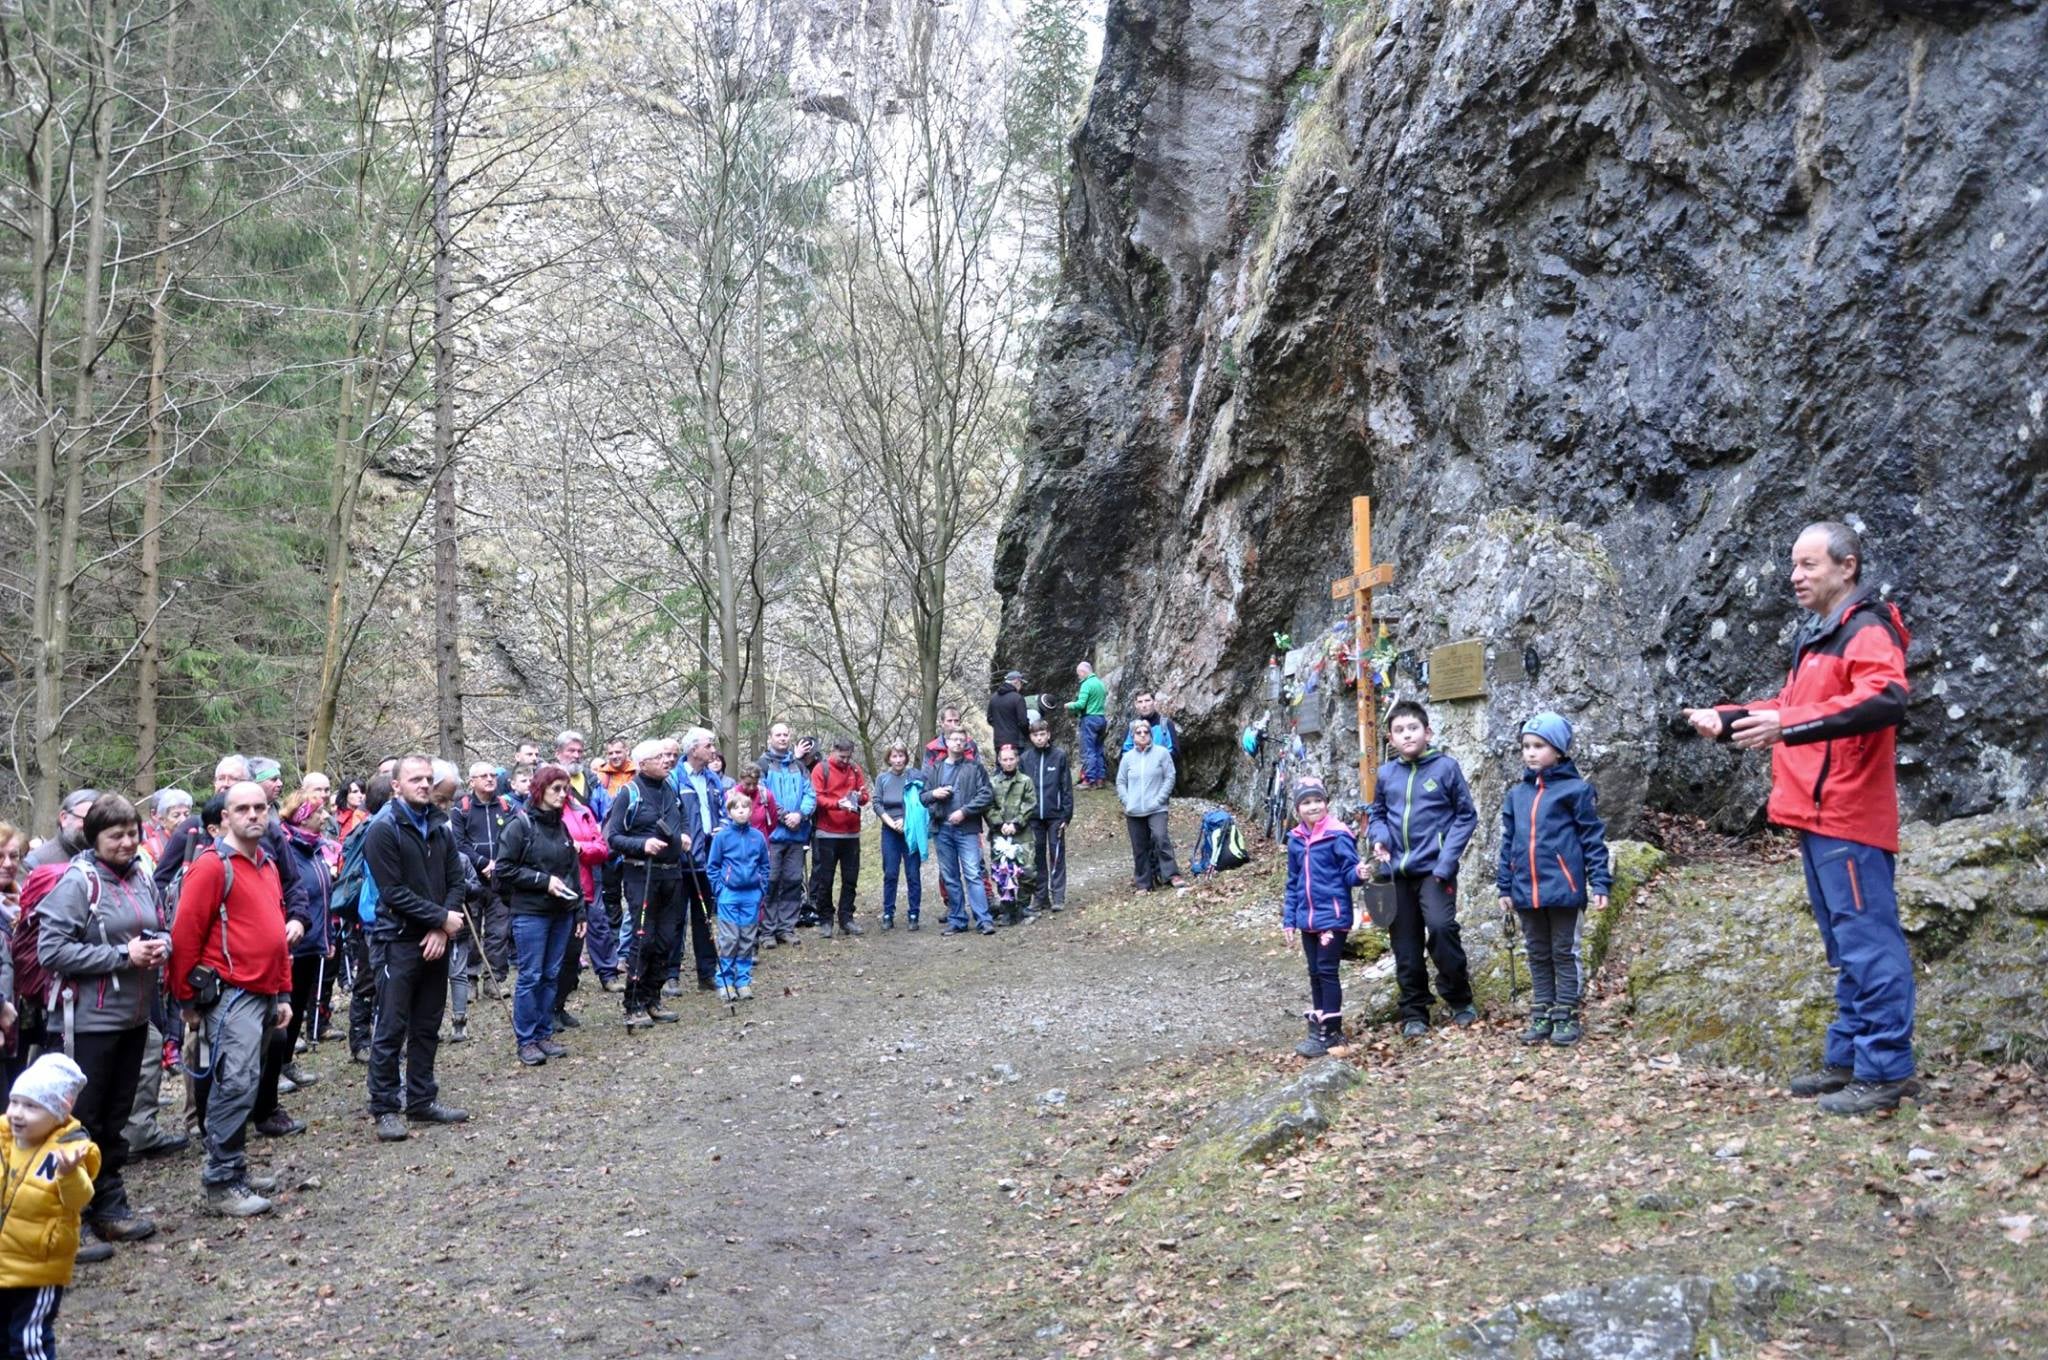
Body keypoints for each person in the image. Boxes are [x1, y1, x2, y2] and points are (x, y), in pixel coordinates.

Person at [1684, 521, 1917, 1115]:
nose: (1796, 576)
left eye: (1809, 564)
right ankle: (1848, 1062)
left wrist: (1788, 725)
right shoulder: (1822, 636)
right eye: (1793, 565)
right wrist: (1729, 717)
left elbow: (1885, 698)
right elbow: (1793, 708)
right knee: (1845, 949)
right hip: (1817, 817)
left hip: (1850, 816)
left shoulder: (1865, 629)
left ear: (1848, 566)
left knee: (1869, 947)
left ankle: (1885, 1071)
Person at [35, 795, 166, 1252]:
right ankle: (67, 1219)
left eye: (132, 833)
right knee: (79, 1121)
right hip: (85, 1023)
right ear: (94, 838)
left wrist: (159, 945)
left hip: (133, 1018)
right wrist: (120, 956)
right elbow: (50, 950)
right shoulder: (79, 882)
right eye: (116, 835)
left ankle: (108, 1204)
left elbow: (157, 925)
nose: (127, 842)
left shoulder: (142, 874)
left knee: (114, 1119)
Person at [167, 781, 296, 1215]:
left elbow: (276, 934)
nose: (254, 815)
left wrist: (282, 991)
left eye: (261, 807)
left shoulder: (267, 864)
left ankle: (235, 1168)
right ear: (225, 816)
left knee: (248, 1083)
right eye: (243, 808)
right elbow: (184, 937)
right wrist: (186, 1000)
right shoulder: (210, 867)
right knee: (235, 1082)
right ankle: (221, 1181)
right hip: (231, 994)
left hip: (263, 993)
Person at [362, 755, 470, 1142]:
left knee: (427, 1023)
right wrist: (440, 919)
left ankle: (422, 1098)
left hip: (434, 939)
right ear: (396, 785)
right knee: (392, 1026)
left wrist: (444, 926)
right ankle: (385, 1107)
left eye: (428, 778)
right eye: (415, 779)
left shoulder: (440, 826)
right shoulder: (383, 829)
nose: (424, 784)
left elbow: (455, 880)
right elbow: (393, 893)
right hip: (398, 940)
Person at [1495, 713, 1611, 1049]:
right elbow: (1508, 844)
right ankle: (1542, 1010)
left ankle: (1566, 1013)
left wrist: (1600, 882)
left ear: (1558, 751)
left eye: (1539, 746)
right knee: (1536, 952)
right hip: (1525, 891)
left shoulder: (1576, 791)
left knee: (1564, 950)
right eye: (1526, 746)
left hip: (1564, 888)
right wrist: (1505, 886)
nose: (1530, 753)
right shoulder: (1517, 795)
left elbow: (1592, 840)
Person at [1365, 701, 1480, 1037]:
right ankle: (1415, 1010)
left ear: (1427, 732)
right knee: (1404, 943)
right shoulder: (1386, 775)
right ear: (1391, 738)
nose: (1407, 735)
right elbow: (1377, 814)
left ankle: (1459, 999)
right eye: (1399, 731)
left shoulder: (1446, 768)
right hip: (1395, 872)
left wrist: (1447, 861)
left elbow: (1466, 815)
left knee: (1441, 928)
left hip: (1435, 870)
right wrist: (1380, 837)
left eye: (1412, 728)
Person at [0, 1053, 99, 1357]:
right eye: (15, 1102)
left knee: (29, 1341)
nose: (17, 1113)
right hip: (3, 1263)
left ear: (58, 1111)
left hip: (39, 1269)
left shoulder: (70, 1151)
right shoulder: (3, 1138)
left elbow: (80, 1198)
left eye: (31, 1106)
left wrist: (68, 1174)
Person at [495, 766, 582, 1067]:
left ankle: (544, 1033)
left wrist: (578, 909)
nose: (562, 795)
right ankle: (527, 1039)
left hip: (561, 913)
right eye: (556, 788)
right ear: (540, 789)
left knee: (550, 975)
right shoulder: (519, 824)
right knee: (530, 976)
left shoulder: (561, 826)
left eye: (565, 789)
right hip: (530, 913)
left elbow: (572, 871)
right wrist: (543, 881)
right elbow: (503, 870)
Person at [604, 739, 685, 1029]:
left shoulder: (670, 789)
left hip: (672, 873)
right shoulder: (629, 793)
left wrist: (684, 836)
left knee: (666, 939)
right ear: (642, 764)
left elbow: (682, 821)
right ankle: (633, 1002)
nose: (667, 760)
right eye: (659, 757)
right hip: (641, 874)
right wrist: (642, 844)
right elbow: (612, 838)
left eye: (667, 756)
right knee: (644, 938)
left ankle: (654, 998)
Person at [1283, 779, 1362, 1058]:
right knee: (1314, 971)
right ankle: (1321, 1026)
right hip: (1307, 919)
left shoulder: (1338, 834)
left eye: (1318, 800)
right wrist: (1289, 920)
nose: (1313, 806)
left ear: (1326, 803)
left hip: (1333, 917)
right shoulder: (1295, 839)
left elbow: (1350, 872)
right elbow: (1293, 882)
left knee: (1327, 970)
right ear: (1297, 809)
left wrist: (1361, 873)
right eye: (1306, 802)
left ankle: (1332, 1030)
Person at [923, 729, 996, 936]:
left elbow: (986, 794)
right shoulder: (935, 769)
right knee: (950, 876)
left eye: (962, 740)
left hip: (967, 828)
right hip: (942, 828)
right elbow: (923, 797)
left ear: (966, 744)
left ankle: (983, 919)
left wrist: (965, 811)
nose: (958, 743)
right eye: (954, 740)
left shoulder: (975, 768)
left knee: (973, 873)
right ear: (946, 742)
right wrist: (934, 794)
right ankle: (957, 920)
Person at [666, 730, 723, 991]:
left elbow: (722, 811)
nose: (713, 750)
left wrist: (723, 828)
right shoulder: (674, 778)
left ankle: (707, 973)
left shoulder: (712, 779)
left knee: (704, 918)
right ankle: (671, 975)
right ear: (693, 750)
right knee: (676, 918)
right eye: (708, 745)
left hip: (708, 859)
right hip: (681, 859)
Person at [452, 763, 514, 994]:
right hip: (472, 881)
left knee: (499, 932)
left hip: (501, 880)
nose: (490, 779)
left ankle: (495, 980)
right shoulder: (461, 809)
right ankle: (470, 980)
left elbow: (515, 837)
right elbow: (459, 843)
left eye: (492, 775)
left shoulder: (507, 807)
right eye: (484, 776)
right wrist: (482, 863)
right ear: (472, 781)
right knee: (471, 930)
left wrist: (499, 865)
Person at [705, 789, 770, 1002]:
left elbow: (765, 865)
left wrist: (761, 887)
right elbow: (713, 866)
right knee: (729, 939)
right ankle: (725, 980)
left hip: (751, 895)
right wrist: (720, 888)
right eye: (737, 809)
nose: (741, 812)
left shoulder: (757, 837)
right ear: (730, 811)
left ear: (751, 811)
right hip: (729, 896)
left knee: (746, 939)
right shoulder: (722, 837)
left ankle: (743, 980)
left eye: (745, 808)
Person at [758, 724, 817, 949]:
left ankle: (786, 927)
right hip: (772, 836)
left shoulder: (799, 766)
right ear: (770, 737)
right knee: (770, 883)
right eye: (778, 735)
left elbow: (810, 793)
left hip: (797, 836)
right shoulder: (762, 764)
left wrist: (800, 815)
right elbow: (763, 795)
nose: (782, 738)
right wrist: (784, 816)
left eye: (785, 735)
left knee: (793, 883)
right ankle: (767, 931)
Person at [808, 738, 870, 939]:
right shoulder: (821, 769)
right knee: (825, 879)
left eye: (848, 757)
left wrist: (860, 798)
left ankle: (847, 918)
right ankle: (825, 919)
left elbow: (864, 795)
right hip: (827, 832)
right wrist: (838, 804)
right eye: (842, 757)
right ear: (833, 751)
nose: (845, 761)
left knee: (850, 878)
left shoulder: (854, 769)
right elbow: (817, 797)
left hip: (851, 832)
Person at [1117, 719, 1184, 890]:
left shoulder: (1162, 753)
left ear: (1150, 734)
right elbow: (1121, 782)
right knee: (1139, 847)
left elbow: (1170, 776)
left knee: (1161, 838)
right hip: (1134, 810)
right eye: (1138, 732)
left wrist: (1160, 799)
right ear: (1133, 736)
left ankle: (1171, 874)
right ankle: (1144, 883)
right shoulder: (1127, 758)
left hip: (1157, 808)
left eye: (1145, 732)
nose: (1142, 735)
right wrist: (1127, 801)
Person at [1020, 721, 1072, 914]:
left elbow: (1066, 787)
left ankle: (1058, 895)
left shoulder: (1059, 756)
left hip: (1055, 815)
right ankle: (1040, 897)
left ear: (1048, 734)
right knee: (1038, 857)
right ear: (1030, 737)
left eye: (1042, 734)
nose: (1039, 738)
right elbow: (1022, 789)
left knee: (1056, 855)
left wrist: (1067, 815)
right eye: (1035, 735)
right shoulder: (1026, 758)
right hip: (1034, 817)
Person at [986, 744, 1038, 925]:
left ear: (1017, 760)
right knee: (1002, 873)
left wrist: (1016, 823)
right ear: (999, 761)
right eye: (1004, 759)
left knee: (1029, 872)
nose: (1008, 763)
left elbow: (1030, 803)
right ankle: (1008, 909)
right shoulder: (992, 783)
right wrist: (1000, 824)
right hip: (1000, 835)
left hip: (1022, 834)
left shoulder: (1025, 781)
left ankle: (1023, 906)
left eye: (1011, 759)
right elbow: (988, 806)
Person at [873, 745, 923, 930]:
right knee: (890, 873)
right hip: (889, 831)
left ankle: (914, 914)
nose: (898, 760)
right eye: (895, 756)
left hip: (910, 830)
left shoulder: (913, 777)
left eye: (901, 755)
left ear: (906, 757)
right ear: (889, 758)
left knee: (913, 874)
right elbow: (877, 802)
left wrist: (906, 821)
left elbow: (919, 803)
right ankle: (888, 913)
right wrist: (888, 821)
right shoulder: (882, 778)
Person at [23, 790, 97, 871]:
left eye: (98, 821)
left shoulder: (107, 862)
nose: (93, 826)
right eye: (87, 820)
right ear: (64, 818)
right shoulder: (35, 863)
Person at [1066, 662, 1109, 788]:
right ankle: (1100, 779)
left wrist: (1069, 705)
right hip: (1101, 719)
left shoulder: (1086, 684)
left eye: (1078, 674)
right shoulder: (1100, 683)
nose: (1078, 676)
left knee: (1088, 751)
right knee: (1099, 750)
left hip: (1089, 719)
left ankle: (1089, 780)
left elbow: (1081, 704)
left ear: (1083, 672)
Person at [989, 671, 1031, 757]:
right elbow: (1023, 722)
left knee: (1001, 766)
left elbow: (989, 718)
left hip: (999, 741)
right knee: (1016, 767)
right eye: (1021, 683)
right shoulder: (1018, 698)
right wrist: (1028, 735)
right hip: (1016, 742)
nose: (1021, 686)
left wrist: (1000, 726)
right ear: (1016, 681)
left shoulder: (994, 697)